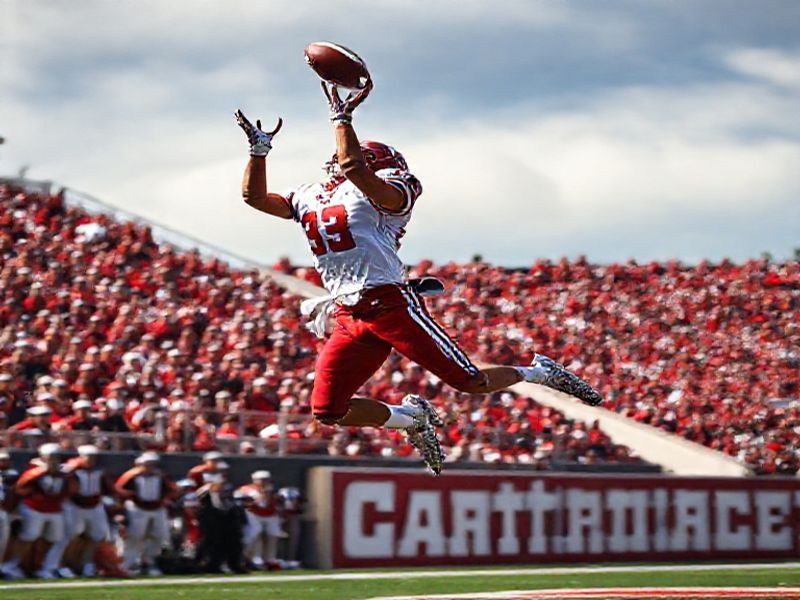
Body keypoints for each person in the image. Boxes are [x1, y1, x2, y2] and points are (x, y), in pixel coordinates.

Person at [234, 78, 603, 475]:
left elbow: (353, 167)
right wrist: (259, 151)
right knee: (328, 410)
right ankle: (410, 418)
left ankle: (538, 371)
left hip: (389, 302)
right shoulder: (310, 194)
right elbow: (255, 198)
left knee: (470, 381)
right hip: (348, 314)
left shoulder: (392, 189)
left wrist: (341, 118)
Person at [1, 443, 74, 579]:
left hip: (54, 509)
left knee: (55, 539)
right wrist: (33, 493)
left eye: (57, 456)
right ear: (43, 457)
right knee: (28, 537)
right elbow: (19, 488)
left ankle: (45, 567)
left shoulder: (63, 472)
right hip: (34, 508)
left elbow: (70, 490)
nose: (55, 459)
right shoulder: (35, 470)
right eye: (52, 456)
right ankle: (11, 565)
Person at [114, 451, 175, 576]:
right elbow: (118, 491)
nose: (150, 467)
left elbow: (172, 489)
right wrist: (121, 509)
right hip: (137, 508)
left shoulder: (161, 476)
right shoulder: (131, 476)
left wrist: (166, 499)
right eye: (147, 464)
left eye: (152, 464)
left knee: (158, 536)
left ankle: (149, 561)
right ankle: (128, 564)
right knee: (134, 537)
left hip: (157, 509)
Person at [60, 445, 115, 577]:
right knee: (69, 536)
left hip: (95, 506)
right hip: (75, 506)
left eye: (93, 457)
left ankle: (87, 563)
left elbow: (108, 488)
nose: (91, 460)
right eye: (88, 457)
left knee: (97, 535)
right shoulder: (70, 470)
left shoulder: (100, 470)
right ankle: (62, 564)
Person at [237, 470, 282, 570]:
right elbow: (257, 502)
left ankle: (270, 559)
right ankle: (245, 557)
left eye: (266, 480)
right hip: (254, 513)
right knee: (252, 534)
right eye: (262, 480)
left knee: (273, 535)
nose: (264, 482)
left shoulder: (273, 489)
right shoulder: (248, 489)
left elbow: (275, 502)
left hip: (271, 514)